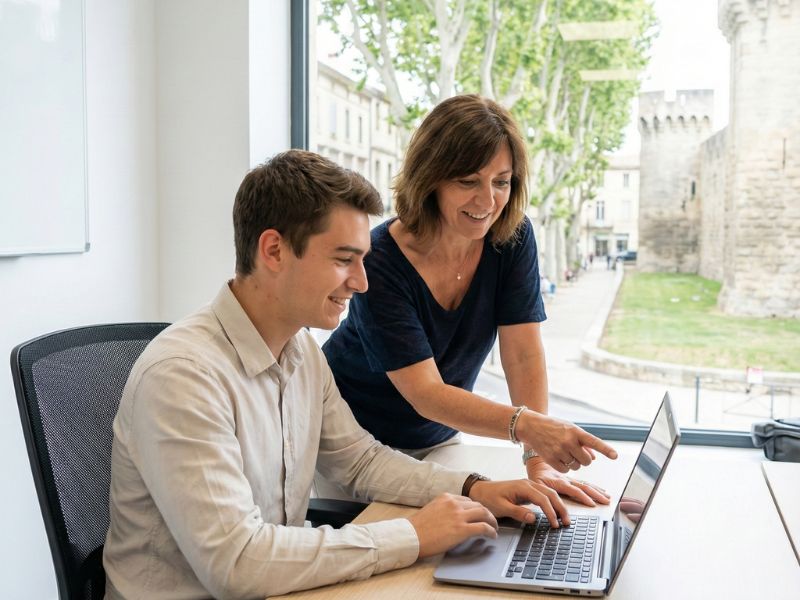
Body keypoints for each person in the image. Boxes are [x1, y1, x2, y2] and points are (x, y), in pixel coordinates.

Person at [103, 150, 575, 599]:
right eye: (343, 259)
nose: (362, 281)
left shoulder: (300, 351)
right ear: (274, 250)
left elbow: (358, 462)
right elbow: (236, 562)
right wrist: (412, 534)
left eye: (363, 260)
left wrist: (474, 488)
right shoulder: (184, 377)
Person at [322, 95, 616, 508]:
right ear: (431, 178)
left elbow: (523, 355)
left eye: (501, 181)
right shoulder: (381, 259)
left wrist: (539, 462)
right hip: (356, 447)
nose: (487, 201)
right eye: (467, 181)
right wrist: (529, 426)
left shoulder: (511, 238)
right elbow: (425, 392)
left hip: (440, 439)